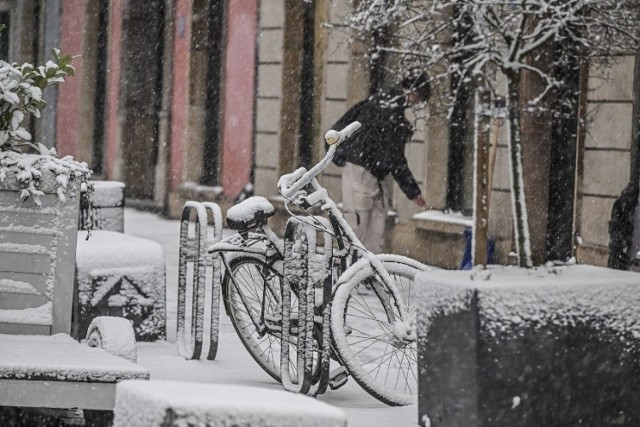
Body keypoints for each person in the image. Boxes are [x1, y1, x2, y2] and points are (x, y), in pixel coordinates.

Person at [330, 70, 430, 254]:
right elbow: (395, 156)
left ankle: (361, 273)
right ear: (411, 90)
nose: (416, 103)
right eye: (418, 98)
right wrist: (412, 191)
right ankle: (351, 275)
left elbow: (349, 120)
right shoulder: (390, 111)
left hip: (365, 169)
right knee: (362, 230)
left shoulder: (382, 102)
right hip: (363, 171)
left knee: (368, 227)